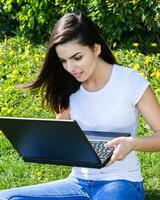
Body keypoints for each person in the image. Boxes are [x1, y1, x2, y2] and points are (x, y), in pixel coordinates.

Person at [0, 12, 160, 200]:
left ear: (96, 48)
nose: (70, 68)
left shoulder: (130, 81)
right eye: (63, 61)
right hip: (77, 183)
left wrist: (132, 144)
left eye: (77, 57)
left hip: (120, 183)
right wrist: (51, 132)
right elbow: (63, 139)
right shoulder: (69, 87)